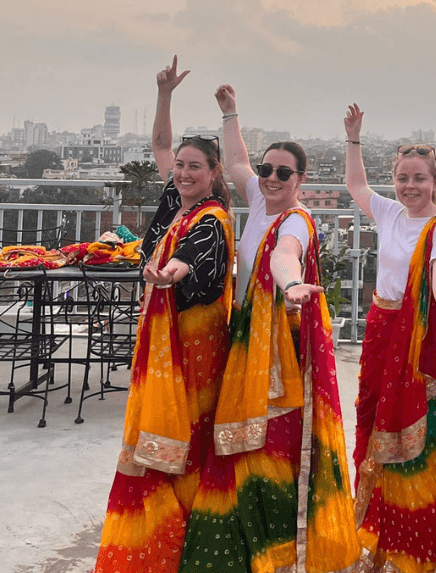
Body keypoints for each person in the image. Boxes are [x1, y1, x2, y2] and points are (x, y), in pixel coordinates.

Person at [179, 85, 359, 573]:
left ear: (300, 179)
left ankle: (278, 550)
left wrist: (294, 284)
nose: (272, 178)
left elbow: (284, 255)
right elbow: (236, 158)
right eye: (267, 170)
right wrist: (230, 112)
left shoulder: (297, 220)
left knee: (271, 444)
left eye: (284, 172)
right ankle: (244, 540)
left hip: (281, 349)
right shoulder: (259, 200)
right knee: (240, 439)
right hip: (246, 338)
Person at [94, 55, 236, 573]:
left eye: (193, 167)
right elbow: (159, 146)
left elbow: (190, 259)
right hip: (165, 336)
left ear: (213, 173)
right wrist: (164, 95)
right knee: (165, 434)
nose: (181, 173)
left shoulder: (210, 217)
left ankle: (180, 539)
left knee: (185, 436)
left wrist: (166, 273)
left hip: (193, 345)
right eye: (179, 166)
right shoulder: (174, 199)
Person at [344, 103, 436, 573]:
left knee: (414, 435)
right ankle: (374, 526)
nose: (410, 187)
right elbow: (356, 186)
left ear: (435, 182)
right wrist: (354, 138)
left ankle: (414, 537)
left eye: (419, 178)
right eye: (402, 178)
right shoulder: (390, 213)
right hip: (381, 327)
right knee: (373, 420)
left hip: (417, 340)